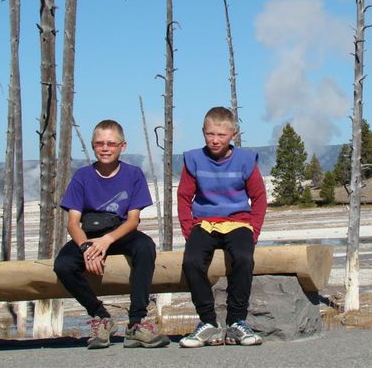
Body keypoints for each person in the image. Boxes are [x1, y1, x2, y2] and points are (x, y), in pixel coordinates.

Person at [53, 119, 169, 350]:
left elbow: (133, 220)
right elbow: (73, 223)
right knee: (63, 265)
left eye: (111, 143)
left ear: (122, 146)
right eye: (99, 143)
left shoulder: (133, 174)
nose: (105, 148)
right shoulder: (82, 177)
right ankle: (100, 316)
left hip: (120, 232)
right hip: (89, 234)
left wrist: (107, 241)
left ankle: (136, 322)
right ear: (93, 146)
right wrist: (87, 247)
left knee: (145, 247)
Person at [177, 107, 267, 348]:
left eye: (221, 135)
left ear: (233, 135)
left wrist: (254, 231)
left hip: (238, 222)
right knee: (191, 261)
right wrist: (189, 230)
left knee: (244, 258)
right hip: (204, 224)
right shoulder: (194, 159)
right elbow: (184, 196)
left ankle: (237, 321)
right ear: (203, 133)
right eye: (210, 134)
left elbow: (259, 197)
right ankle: (208, 322)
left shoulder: (245, 160)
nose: (215, 140)